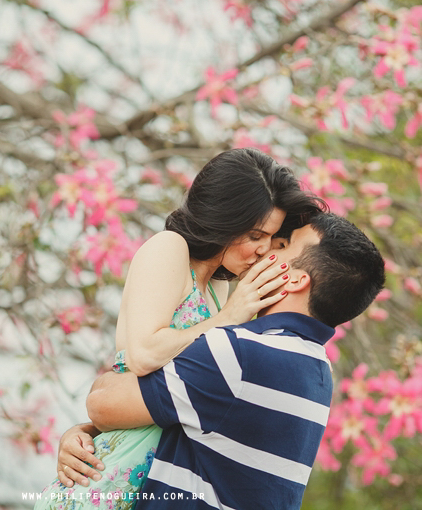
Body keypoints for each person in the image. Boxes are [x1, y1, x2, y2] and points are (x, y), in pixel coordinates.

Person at [35, 148, 324, 509]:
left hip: (160, 474)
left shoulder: (219, 288)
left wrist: (86, 429)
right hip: (112, 475)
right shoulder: (168, 249)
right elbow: (143, 356)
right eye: (254, 235)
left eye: (270, 238)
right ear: (223, 218)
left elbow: (183, 384)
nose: (262, 249)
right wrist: (228, 318)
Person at [84, 213, 386, 509]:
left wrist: (89, 422)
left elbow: (103, 403)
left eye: (282, 246)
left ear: (294, 280)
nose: (266, 249)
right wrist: (86, 434)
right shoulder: (319, 371)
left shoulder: (241, 353)